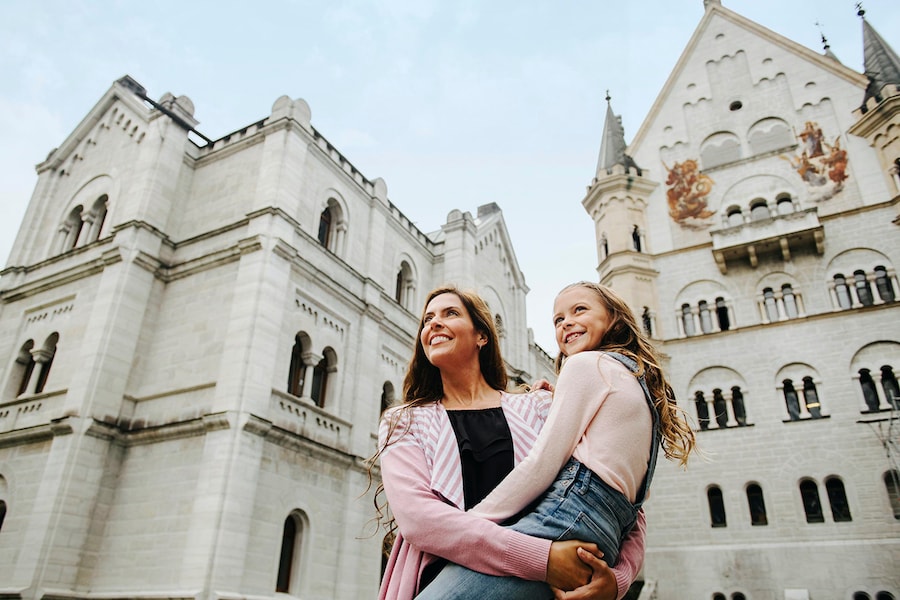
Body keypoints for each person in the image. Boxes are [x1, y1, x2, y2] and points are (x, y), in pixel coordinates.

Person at [413, 281, 696, 600]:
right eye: (558, 319)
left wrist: (473, 526)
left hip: (566, 515)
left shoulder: (586, 365)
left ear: (614, 318)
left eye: (580, 310)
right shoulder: (638, 385)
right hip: (607, 537)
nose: (567, 323)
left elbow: (541, 465)